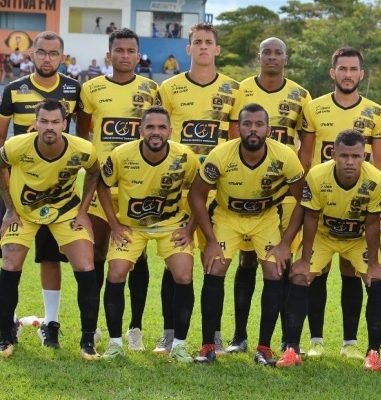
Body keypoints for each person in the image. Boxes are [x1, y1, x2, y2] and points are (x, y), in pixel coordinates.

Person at [189, 103, 304, 365]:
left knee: (274, 271)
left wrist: (285, 243)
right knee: (215, 267)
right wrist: (210, 240)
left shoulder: (285, 156)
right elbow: (196, 194)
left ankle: (264, 348)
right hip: (227, 216)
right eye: (247, 124)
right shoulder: (220, 155)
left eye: (259, 124)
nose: (253, 129)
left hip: (265, 218)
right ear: (238, 128)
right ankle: (208, 346)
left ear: (269, 130)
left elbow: (304, 200)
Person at [298, 47, 381, 359]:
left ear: (361, 74)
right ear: (332, 72)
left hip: (358, 203)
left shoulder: (375, 112)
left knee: (351, 270)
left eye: (353, 69)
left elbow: (380, 161)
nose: (348, 75)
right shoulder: (314, 107)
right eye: (342, 69)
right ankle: (316, 341)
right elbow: (305, 156)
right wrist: (303, 199)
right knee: (316, 271)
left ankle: (350, 343)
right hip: (321, 198)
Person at [156, 22, 239, 354]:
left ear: (217, 49)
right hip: (179, 189)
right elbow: (160, 134)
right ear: (188, 48)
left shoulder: (234, 89)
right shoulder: (170, 88)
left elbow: (235, 140)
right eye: (197, 42)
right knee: (175, 262)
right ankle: (169, 333)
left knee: (215, 264)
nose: (203, 46)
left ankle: (213, 335)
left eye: (209, 42)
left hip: (218, 191)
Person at [226, 36, 312, 354]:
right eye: (267, 52)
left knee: (281, 262)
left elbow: (306, 146)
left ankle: (288, 339)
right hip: (249, 186)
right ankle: (239, 336)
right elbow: (233, 138)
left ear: (286, 58)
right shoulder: (241, 90)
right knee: (247, 260)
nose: (272, 57)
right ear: (258, 56)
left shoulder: (300, 95)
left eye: (278, 53)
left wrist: (293, 180)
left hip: (285, 190)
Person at [276, 130, 381, 371]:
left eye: (356, 156)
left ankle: (373, 353)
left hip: (358, 238)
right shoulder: (317, 176)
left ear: (364, 157)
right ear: (333, 154)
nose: (350, 162)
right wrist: (304, 259)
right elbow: (310, 217)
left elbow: (372, 223)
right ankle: (292, 349)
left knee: (377, 279)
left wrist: (373, 264)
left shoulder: (377, 180)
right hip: (324, 236)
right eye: (344, 156)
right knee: (299, 275)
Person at [0, 98, 101, 360]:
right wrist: (9, 208)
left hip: (65, 211)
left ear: (64, 124)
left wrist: (83, 212)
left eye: (55, 122)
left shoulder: (82, 149)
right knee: (10, 262)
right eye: (44, 121)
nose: (49, 127)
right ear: (35, 123)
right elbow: (0, 165)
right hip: (24, 212)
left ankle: (88, 341)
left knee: (86, 264)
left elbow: (94, 172)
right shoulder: (16, 146)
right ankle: (5, 337)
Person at [98, 106, 200, 363]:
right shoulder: (121, 155)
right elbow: (102, 186)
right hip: (132, 227)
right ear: (141, 130)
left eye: (161, 127)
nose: (156, 132)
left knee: (183, 274)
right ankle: (114, 344)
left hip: (171, 226)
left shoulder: (185, 156)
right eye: (150, 127)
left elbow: (200, 192)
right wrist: (114, 224)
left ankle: (179, 346)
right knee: (116, 272)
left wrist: (190, 228)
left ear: (170, 131)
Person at [0, 31, 82, 349]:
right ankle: (8, 322)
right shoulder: (13, 89)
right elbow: (2, 143)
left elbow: (80, 140)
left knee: (50, 257)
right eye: (42, 52)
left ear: (62, 56)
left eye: (53, 53)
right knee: (12, 256)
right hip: (18, 190)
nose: (47, 58)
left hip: (57, 193)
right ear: (31, 54)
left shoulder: (73, 89)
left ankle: (50, 323)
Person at [78, 28, 159, 352]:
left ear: (138, 55)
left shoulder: (151, 89)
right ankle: (95, 325)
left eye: (130, 50)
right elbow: (84, 137)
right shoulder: (91, 88)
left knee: (137, 256)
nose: (125, 55)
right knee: (96, 254)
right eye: (119, 50)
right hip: (100, 186)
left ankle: (135, 328)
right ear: (109, 54)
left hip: (137, 187)